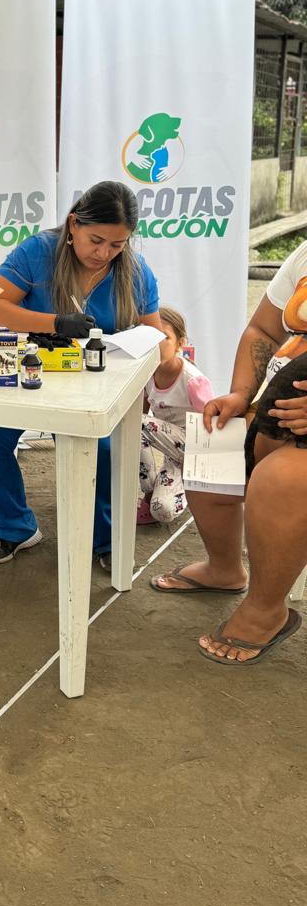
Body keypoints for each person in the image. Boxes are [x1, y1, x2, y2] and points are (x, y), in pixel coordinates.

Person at [0, 181, 162, 567]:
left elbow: (156, 334)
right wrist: (54, 322)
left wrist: (161, 356)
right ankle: (14, 526)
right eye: (96, 240)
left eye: (117, 245)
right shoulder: (36, 251)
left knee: (102, 450)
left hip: (94, 389)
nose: (103, 254)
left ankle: (104, 537)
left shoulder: (136, 272)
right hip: (27, 375)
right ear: (73, 224)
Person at [150, 237, 307, 665]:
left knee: (278, 481)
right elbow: (264, 331)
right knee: (210, 446)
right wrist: (240, 394)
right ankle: (224, 569)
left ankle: (266, 609)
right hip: (275, 418)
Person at [138, 306, 213, 525]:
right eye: (150, 337)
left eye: (164, 337)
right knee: (161, 511)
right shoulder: (146, 374)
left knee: (135, 423)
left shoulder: (193, 381)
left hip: (197, 451)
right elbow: (141, 416)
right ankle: (160, 491)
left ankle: (185, 488)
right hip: (174, 457)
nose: (156, 344)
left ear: (180, 343)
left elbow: (214, 427)